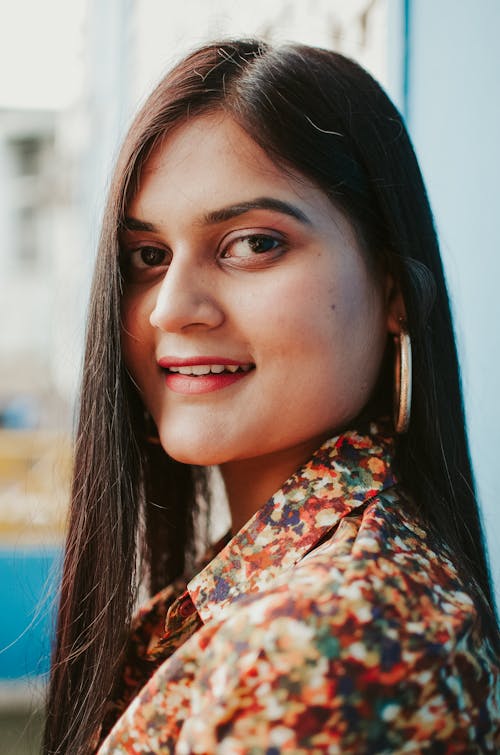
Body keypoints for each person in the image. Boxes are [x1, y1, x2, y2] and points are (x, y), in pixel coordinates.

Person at [43, 39, 500, 754]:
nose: (171, 308)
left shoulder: (318, 646)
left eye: (253, 243)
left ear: (393, 293)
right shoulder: (261, 593)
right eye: (148, 256)